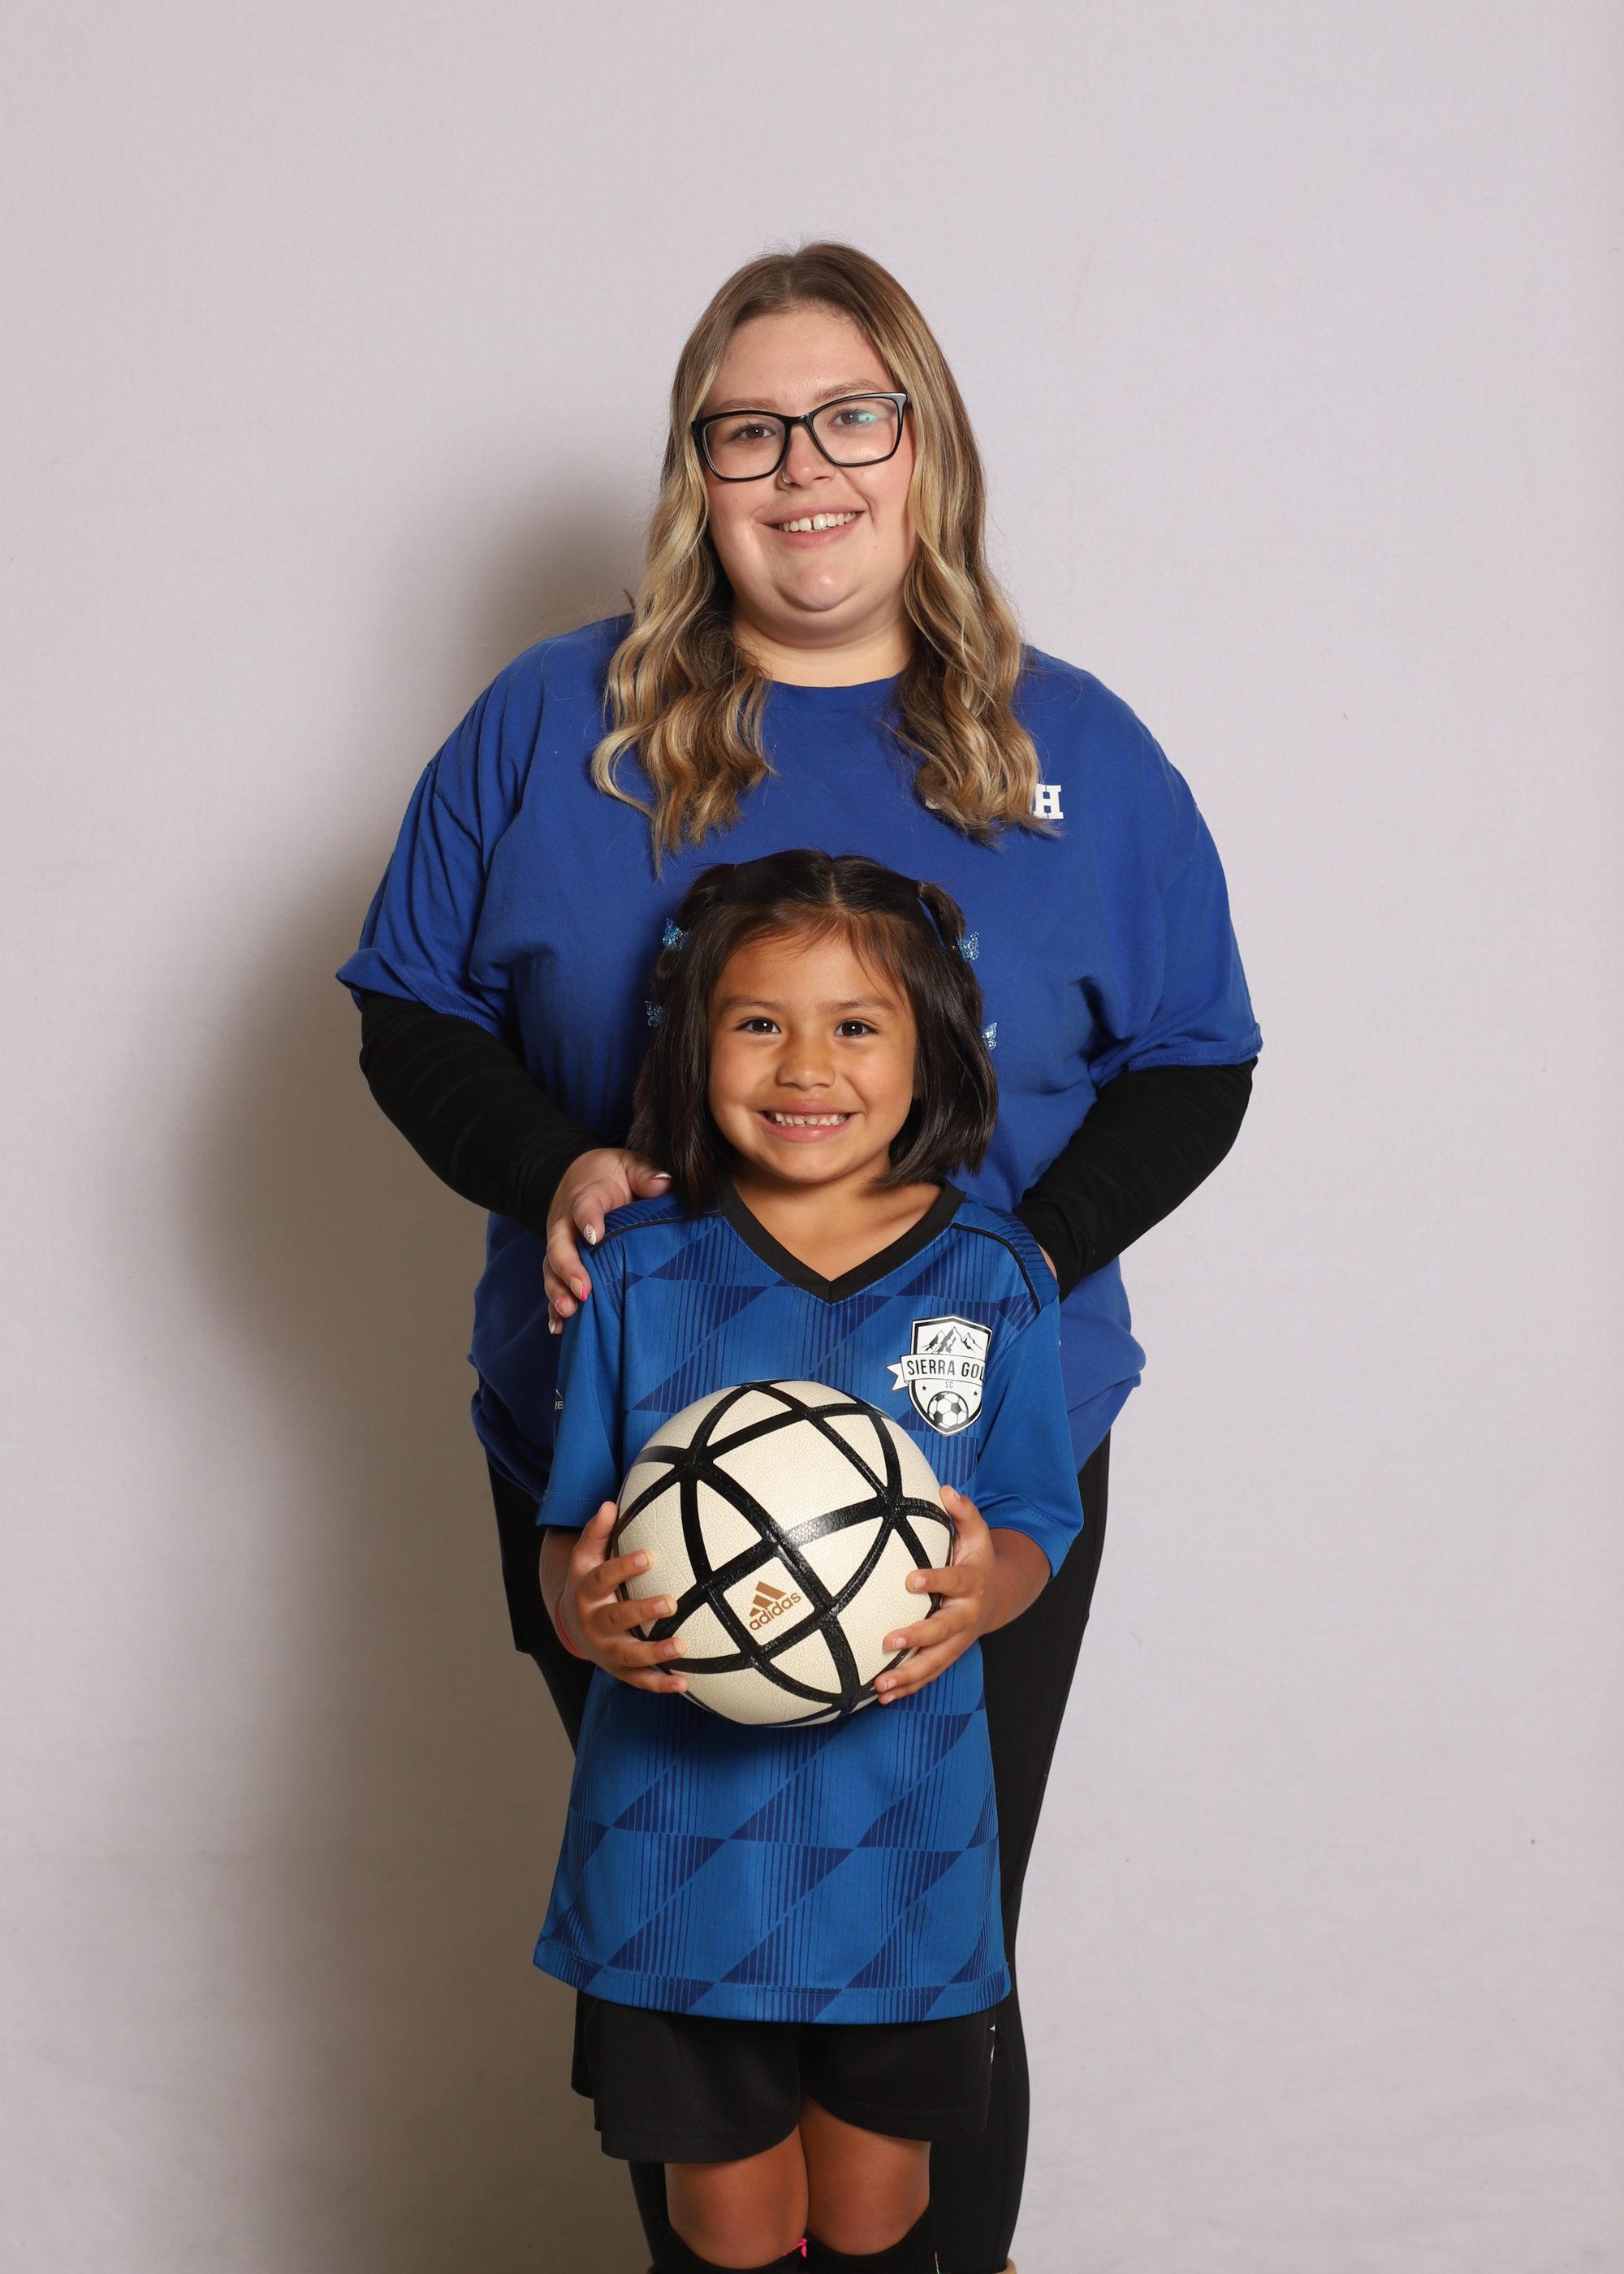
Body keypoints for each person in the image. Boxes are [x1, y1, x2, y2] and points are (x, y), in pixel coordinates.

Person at [340, 242, 1260, 2274]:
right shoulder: (555, 721)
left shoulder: (1070, 743)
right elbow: (408, 1004)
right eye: (747, 428)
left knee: (926, 1949)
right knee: (699, 1955)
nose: (803, 467)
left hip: (969, 1439)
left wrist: (1003, 1260)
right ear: (695, 467)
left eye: (852, 415)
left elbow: (1199, 1057)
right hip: (620, 1431)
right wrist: (554, 1166)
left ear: (925, 444)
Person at [537, 851, 1084, 2274]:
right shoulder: (637, 1269)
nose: (806, 1065)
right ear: (693, 1042)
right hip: (677, 1843)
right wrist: (583, 1613)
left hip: (900, 1830)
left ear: (933, 1047)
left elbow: (1036, 1515)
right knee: (725, 2223)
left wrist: (990, 1586)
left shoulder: (995, 1277)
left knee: (873, 2211)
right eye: (758, 1022)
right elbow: (570, 1533)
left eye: (855, 1025)